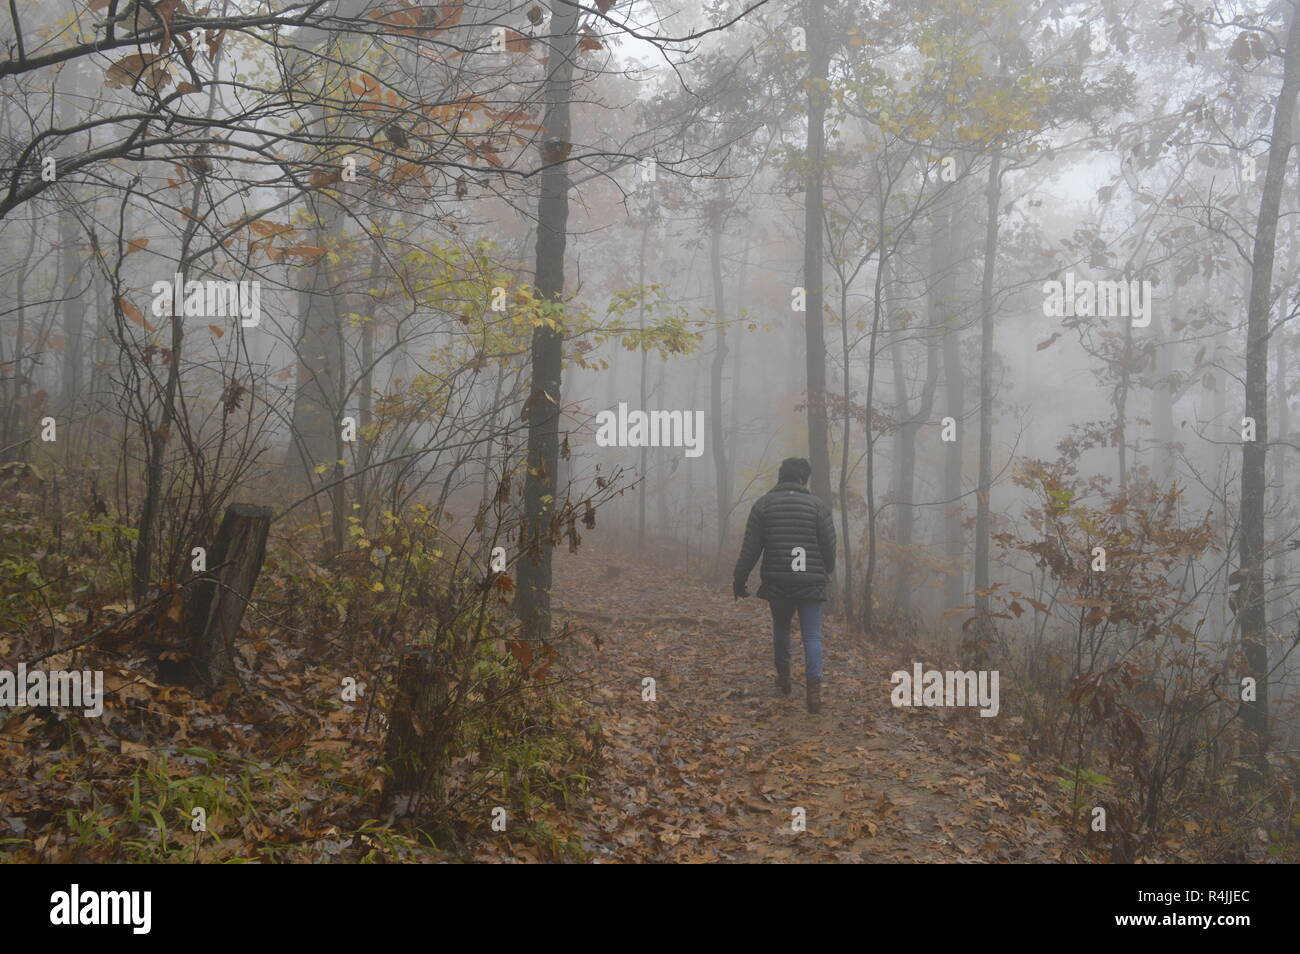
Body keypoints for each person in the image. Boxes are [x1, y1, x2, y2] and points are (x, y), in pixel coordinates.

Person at [732, 457, 837, 713]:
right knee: (812, 635)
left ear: (781, 476)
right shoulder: (818, 506)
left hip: (778, 580)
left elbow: (751, 548)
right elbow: (829, 545)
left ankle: (784, 678)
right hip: (810, 580)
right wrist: (828, 568)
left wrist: (740, 578)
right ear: (804, 479)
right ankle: (813, 693)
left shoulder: (763, 505)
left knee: (781, 627)